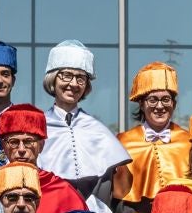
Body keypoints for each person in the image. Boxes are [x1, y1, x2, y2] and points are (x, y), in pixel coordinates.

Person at [38, 40, 133, 202]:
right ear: (53, 78)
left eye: (80, 78)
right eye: (66, 75)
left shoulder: (98, 130)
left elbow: (110, 190)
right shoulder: (38, 126)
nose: (74, 84)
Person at [0, 104, 96, 213]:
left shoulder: (63, 193)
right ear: (4, 146)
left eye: (28, 142)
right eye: (14, 142)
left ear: (41, 145)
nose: (21, 149)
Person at [114, 61, 188, 207]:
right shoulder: (123, 142)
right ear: (141, 104)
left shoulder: (189, 142)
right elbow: (117, 198)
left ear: (174, 104)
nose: (160, 106)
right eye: (152, 100)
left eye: (166, 99)